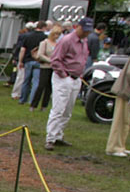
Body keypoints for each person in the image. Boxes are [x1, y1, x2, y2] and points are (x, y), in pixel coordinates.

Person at [45, 17, 93, 150]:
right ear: (78, 27)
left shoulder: (84, 41)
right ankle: (50, 138)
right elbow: (55, 59)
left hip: (76, 78)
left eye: (88, 31)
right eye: (84, 30)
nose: (86, 33)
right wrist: (63, 74)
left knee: (68, 110)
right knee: (58, 108)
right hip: (64, 77)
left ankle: (58, 135)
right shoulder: (66, 40)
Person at [29, 25, 62, 111]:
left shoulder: (58, 44)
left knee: (49, 87)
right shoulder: (44, 42)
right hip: (45, 66)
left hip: (54, 68)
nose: (57, 36)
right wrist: (50, 60)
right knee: (41, 86)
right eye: (56, 34)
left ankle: (44, 106)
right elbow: (40, 54)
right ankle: (33, 105)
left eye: (58, 34)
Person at [18, 21, 47, 104]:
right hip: (39, 61)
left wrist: (20, 61)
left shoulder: (28, 36)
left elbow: (22, 50)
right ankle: (32, 100)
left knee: (26, 81)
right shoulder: (45, 37)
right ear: (44, 27)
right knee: (35, 82)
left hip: (28, 60)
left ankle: (22, 99)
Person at [11, 22, 34, 99]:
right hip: (33, 59)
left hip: (24, 59)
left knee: (20, 77)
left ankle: (16, 93)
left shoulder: (23, 36)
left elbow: (19, 47)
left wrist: (16, 57)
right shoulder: (41, 36)